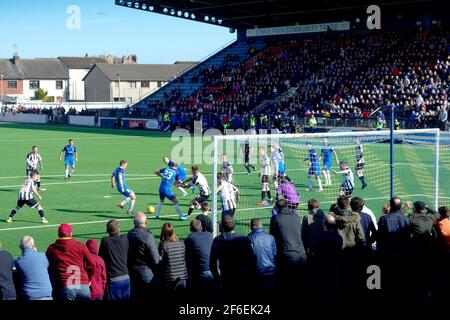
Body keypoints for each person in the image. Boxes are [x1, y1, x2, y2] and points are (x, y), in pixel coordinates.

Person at [46, 224, 96, 301]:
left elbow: (46, 265)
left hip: (66, 287)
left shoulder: (52, 248)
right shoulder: (80, 246)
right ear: (71, 233)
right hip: (83, 285)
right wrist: (89, 278)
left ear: (58, 234)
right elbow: (92, 264)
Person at [210, 216, 253, 301]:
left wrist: (218, 279)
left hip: (226, 278)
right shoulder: (244, 239)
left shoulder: (217, 240)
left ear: (221, 227)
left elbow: (212, 264)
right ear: (235, 226)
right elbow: (251, 259)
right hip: (243, 278)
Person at [376, 197, 411, 297]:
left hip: (387, 254)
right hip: (402, 254)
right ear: (400, 206)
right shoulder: (406, 219)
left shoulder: (384, 219)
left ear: (390, 206)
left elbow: (380, 236)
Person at [269, 199, 307, 293]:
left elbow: (272, 235)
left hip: (286, 253)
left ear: (277, 208)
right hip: (301, 252)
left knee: (286, 283)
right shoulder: (296, 216)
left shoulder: (276, 218)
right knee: (301, 282)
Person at [127, 212, 160, 302]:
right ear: (146, 222)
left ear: (134, 222)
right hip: (146, 272)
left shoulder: (129, 234)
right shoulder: (148, 235)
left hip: (132, 271)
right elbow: (156, 259)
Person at [309, 214, 343, 300]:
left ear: (323, 225)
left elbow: (312, 252)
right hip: (333, 267)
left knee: (321, 291)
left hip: (320, 267)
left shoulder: (317, 237)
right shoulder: (338, 238)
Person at [98, 219, 130, 301]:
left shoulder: (105, 240)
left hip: (113, 279)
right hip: (126, 277)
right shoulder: (125, 239)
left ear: (107, 230)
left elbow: (100, 257)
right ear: (119, 229)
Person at [14, 236, 53, 300]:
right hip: (47, 294)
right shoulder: (43, 256)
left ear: (20, 247)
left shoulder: (19, 262)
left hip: (30, 296)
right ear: (34, 246)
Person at [185, 220, 214, 296]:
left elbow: (186, 256)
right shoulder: (209, 235)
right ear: (201, 227)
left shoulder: (190, 238)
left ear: (191, 228)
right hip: (215, 270)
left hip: (203, 272)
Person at [247, 218, 277, 293]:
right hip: (271, 271)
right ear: (261, 226)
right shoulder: (271, 237)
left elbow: (248, 257)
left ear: (253, 227)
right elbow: (275, 253)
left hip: (258, 273)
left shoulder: (249, 238)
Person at [158, 223, 188, 297]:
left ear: (163, 232)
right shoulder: (182, 243)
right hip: (182, 277)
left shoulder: (163, 245)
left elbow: (159, 261)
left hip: (169, 279)